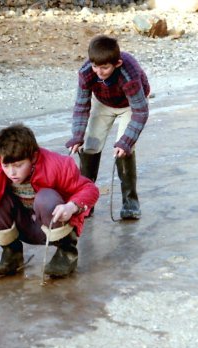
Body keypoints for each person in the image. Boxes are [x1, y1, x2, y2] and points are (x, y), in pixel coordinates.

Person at [0, 123, 99, 277]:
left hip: (52, 224)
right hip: (21, 225)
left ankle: (66, 252)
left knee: (46, 198)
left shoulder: (58, 165)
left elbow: (90, 189)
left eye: (18, 165)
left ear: (33, 157)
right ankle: (12, 253)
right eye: (6, 166)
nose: (11, 172)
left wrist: (71, 207)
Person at [66, 35, 150, 219]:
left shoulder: (129, 74)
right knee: (90, 146)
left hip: (131, 105)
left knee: (124, 149)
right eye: (96, 66)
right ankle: (85, 202)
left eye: (105, 68)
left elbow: (141, 112)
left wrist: (126, 142)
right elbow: (81, 106)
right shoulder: (87, 72)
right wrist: (77, 136)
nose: (99, 72)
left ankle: (130, 203)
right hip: (103, 103)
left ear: (117, 63)